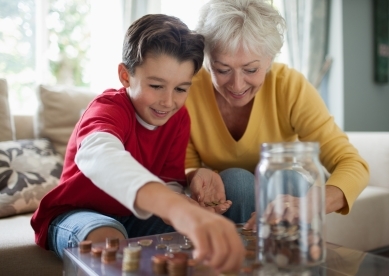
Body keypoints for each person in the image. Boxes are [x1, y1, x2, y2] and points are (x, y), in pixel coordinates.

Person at [31, 14, 244, 273]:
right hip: (77, 213)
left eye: (180, 89)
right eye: (156, 85)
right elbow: (101, 156)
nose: (168, 102)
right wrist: (174, 207)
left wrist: (183, 201)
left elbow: (168, 180)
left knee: (196, 238)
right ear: (125, 76)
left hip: (134, 217)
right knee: (108, 238)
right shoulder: (107, 109)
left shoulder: (178, 119)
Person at [185, 0, 369, 227]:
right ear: (207, 61)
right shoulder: (189, 89)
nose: (237, 85)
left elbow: (352, 163)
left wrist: (313, 203)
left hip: (285, 188)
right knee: (237, 181)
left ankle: (287, 258)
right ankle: (236, 258)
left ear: (269, 59)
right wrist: (196, 175)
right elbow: (187, 165)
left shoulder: (289, 86)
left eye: (251, 69)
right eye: (222, 70)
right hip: (232, 195)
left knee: (284, 178)